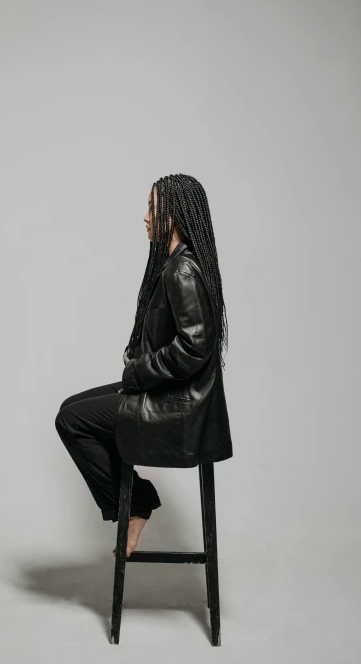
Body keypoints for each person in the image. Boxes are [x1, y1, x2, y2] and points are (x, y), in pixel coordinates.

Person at [55, 173, 230, 557]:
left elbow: (193, 349)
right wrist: (139, 354)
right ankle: (136, 500)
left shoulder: (182, 270)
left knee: (72, 421)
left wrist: (137, 371)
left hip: (181, 408)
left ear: (175, 213)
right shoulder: (176, 265)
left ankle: (136, 503)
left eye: (152, 207)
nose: (146, 216)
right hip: (175, 394)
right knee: (71, 408)